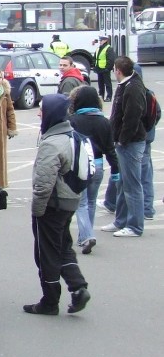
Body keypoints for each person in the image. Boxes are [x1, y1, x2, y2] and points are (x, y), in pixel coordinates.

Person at [24, 94, 91, 315]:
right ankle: (78, 287)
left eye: (42, 109)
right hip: (70, 201)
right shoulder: (73, 136)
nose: (38, 113)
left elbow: (43, 185)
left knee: (46, 254)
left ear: (51, 112)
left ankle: (50, 301)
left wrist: (37, 212)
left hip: (52, 206)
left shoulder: (52, 143)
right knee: (63, 247)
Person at [68, 86, 118, 255]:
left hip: (81, 165)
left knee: (81, 203)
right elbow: (110, 149)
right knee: (91, 201)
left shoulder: (74, 120)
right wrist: (116, 171)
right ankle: (85, 236)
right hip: (98, 165)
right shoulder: (104, 121)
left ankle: (87, 235)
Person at [102, 56, 147, 237]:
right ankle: (121, 221)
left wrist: (122, 139)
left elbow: (132, 117)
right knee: (121, 183)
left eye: (114, 69)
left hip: (131, 143)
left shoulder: (133, 88)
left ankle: (135, 226)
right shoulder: (126, 85)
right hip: (124, 142)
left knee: (132, 186)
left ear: (118, 71)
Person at [93, 36, 115, 101]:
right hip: (99, 68)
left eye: (101, 40)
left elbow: (111, 60)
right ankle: (101, 96)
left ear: (105, 40)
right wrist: (95, 66)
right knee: (100, 84)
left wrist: (107, 68)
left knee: (107, 83)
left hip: (105, 69)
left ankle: (109, 97)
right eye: (100, 40)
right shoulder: (98, 48)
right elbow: (95, 58)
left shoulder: (109, 48)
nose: (100, 42)